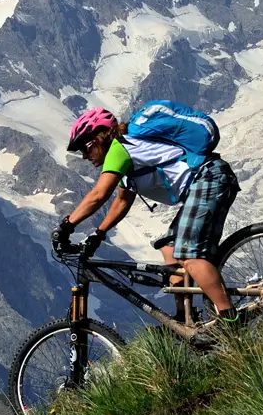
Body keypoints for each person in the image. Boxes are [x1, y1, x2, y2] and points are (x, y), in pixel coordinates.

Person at [55, 106, 242, 324]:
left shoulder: (119, 149)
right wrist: (98, 234)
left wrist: (66, 226)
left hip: (210, 178)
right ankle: (185, 320)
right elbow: (122, 201)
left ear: (97, 139)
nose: (85, 156)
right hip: (206, 182)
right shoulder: (128, 157)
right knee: (169, 248)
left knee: (189, 255)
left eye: (85, 148)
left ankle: (231, 322)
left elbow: (99, 195)